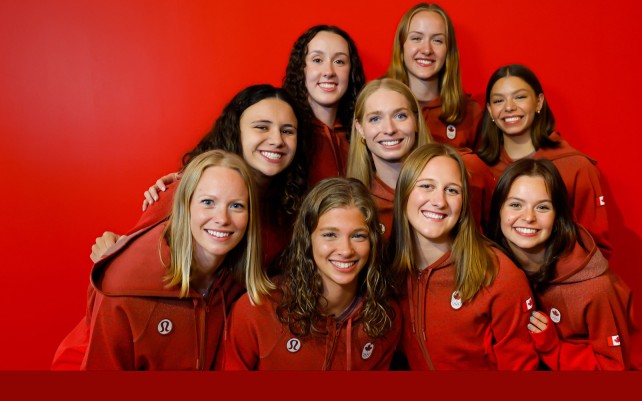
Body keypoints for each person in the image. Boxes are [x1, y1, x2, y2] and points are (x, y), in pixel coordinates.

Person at [52, 84, 306, 370]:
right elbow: (125, 274)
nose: (277, 140)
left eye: (288, 130)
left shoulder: (284, 209)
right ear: (237, 131)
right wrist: (113, 263)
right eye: (262, 127)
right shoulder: (180, 191)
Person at [77, 150, 270, 369]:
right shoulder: (124, 287)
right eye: (208, 202)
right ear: (184, 207)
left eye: (236, 206)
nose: (222, 219)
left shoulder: (240, 279)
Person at [487, 158, 642, 370]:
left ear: (558, 217)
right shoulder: (498, 270)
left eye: (542, 207)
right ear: (498, 210)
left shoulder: (596, 288)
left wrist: (553, 347)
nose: (528, 217)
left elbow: (614, 369)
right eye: (515, 205)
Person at [220, 178, 401, 370]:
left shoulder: (386, 318)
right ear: (307, 239)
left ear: (372, 242)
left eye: (358, 236)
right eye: (330, 235)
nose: (346, 250)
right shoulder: (257, 310)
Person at [388, 143, 538, 370]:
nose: (439, 201)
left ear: (464, 202)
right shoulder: (391, 272)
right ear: (404, 193)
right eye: (427, 186)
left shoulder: (499, 275)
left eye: (452, 190)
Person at [476, 64, 612, 258]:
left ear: (539, 102)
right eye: (499, 100)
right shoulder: (480, 169)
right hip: (499, 283)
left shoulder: (575, 166)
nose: (509, 107)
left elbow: (597, 249)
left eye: (520, 97)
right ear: (490, 110)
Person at [384, 3, 483, 151]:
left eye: (437, 40)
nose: (426, 50)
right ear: (402, 46)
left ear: (448, 50)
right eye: (417, 38)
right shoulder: (375, 101)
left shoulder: (470, 111)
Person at [347, 78, 434, 240]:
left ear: (416, 121)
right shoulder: (353, 202)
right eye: (375, 119)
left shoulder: (444, 191)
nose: (389, 129)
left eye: (400, 116)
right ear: (360, 128)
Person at [283, 25, 366, 185]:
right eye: (317, 60)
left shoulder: (364, 132)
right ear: (302, 68)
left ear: (351, 71)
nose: (329, 71)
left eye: (339, 61)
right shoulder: (286, 133)